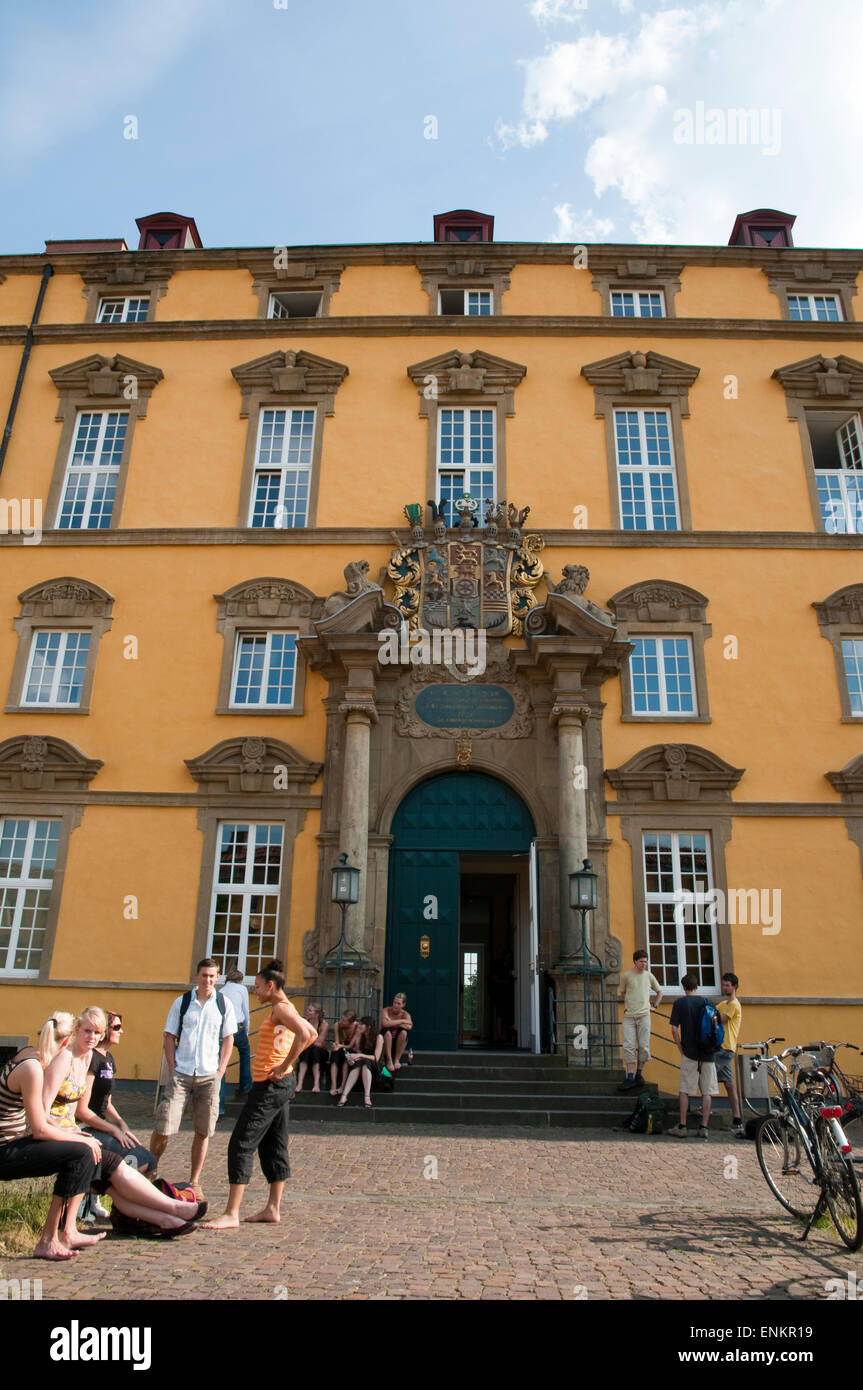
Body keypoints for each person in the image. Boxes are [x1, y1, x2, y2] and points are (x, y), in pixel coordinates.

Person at [45, 1006, 207, 1236]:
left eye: (96, 1032)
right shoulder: (71, 1059)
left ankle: (167, 1219)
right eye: (87, 1031)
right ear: (77, 1030)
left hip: (74, 1130)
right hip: (67, 1131)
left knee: (122, 1176)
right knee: (127, 1164)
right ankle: (169, 1209)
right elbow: (58, 1111)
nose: (92, 1037)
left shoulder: (90, 1058)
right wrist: (100, 1131)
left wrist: (121, 1125)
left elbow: (100, 1104)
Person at [203, 959, 316, 1229]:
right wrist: (286, 1064)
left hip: (270, 1085)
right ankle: (272, 1208)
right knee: (274, 1143)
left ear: (270, 986)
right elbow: (311, 1033)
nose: (254, 990)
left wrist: (283, 1065)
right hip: (279, 1084)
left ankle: (231, 1213)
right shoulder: (286, 1007)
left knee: (241, 1142)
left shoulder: (281, 1008)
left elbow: (305, 1034)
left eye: (258, 985)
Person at [0, 1013, 102, 1260]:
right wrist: (82, 1139)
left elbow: (43, 1118)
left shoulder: (28, 1054)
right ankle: (48, 1240)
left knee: (84, 1150)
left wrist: (71, 1132)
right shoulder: (33, 1068)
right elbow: (39, 1129)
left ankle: (66, 1231)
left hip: (12, 1143)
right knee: (80, 1153)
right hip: (5, 1150)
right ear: (67, 1041)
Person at [148, 957, 236, 1199]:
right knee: (164, 1125)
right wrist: (172, 1065)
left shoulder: (223, 1004)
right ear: (197, 976)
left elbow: (228, 1038)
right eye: (204, 975)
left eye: (212, 976)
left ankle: (194, 1180)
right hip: (182, 1073)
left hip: (209, 1075)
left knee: (203, 1130)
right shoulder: (183, 1002)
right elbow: (169, 1035)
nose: (208, 980)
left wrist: (221, 1070)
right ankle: (150, 1171)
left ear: (217, 978)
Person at [75, 1009, 155, 1222]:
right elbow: (82, 1110)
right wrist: (112, 1130)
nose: (121, 1031)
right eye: (117, 1027)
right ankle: (86, 1194)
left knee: (149, 1161)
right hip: (85, 1126)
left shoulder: (108, 1059)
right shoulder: (92, 1058)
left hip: (101, 1125)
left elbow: (107, 1103)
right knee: (140, 1161)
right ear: (106, 1030)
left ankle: (97, 1199)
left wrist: (122, 1125)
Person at [669, 973, 718, 1139]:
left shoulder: (680, 1003)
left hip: (689, 1052)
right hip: (707, 1052)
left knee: (684, 1090)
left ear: (684, 987)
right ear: (697, 986)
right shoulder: (708, 1002)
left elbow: (674, 1029)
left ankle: (682, 1126)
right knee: (707, 1091)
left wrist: (680, 1047)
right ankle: (704, 1127)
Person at [617, 950, 663, 1091]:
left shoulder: (649, 976)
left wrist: (655, 1006)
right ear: (635, 961)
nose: (644, 964)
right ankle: (630, 1076)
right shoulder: (626, 976)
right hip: (629, 1016)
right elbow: (622, 992)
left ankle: (639, 1073)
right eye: (642, 961)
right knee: (628, 1045)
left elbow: (659, 991)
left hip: (644, 1016)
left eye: (646, 961)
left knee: (643, 1045)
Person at [219, 964, 252, 1116]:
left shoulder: (221, 991)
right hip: (237, 1027)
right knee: (245, 1053)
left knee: (221, 1064)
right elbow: (246, 1011)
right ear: (240, 980)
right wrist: (246, 1031)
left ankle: (220, 1108)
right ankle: (245, 1087)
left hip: (223, 1029)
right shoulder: (242, 989)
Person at [715, 972, 744, 1136]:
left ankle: (706, 1110)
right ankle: (737, 1119)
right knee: (729, 1084)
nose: (725, 987)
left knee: (706, 1074)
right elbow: (714, 1011)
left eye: (728, 985)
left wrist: (712, 1017)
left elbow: (721, 1019)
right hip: (723, 1047)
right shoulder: (723, 1003)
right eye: (723, 984)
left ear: (735, 987)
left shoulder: (734, 1004)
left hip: (725, 1047)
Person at [337, 1016, 383, 1109]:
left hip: (375, 1069)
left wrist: (360, 1055)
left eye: (362, 1024)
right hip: (361, 1068)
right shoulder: (360, 1036)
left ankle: (367, 1096)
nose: (359, 1026)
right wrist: (352, 1059)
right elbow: (359, 1053)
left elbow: (376, 1058)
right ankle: (344, 1096)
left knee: (366, 1062)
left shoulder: (379, 1037)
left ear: (369, 1026)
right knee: (361, 1062)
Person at [295, 1005, 329, 1094]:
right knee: (306, 1051)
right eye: (307, 1009)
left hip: (320, 1051)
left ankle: (316, 1084)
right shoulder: (304, 1023)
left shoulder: (323, 1024)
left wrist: (308, 1041)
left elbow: (319, 1042)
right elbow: (301, 1039)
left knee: (315, 1051)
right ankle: (300, 1083)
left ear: (317, 1014)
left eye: (310, 1010)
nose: (307, 1011)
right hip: (307, 1049)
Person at [329, 1010, 359, 1096]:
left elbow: (350, 1046)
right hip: (341, 1048)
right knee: (334, 1055)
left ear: (351, 1023)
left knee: (346, 1058)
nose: (341, 1021)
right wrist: (336, 1045)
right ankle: (333, 1085)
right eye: (341, 1019)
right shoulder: (337, 1025)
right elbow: (337, 1042)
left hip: (351, 1049)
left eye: (344, 1021)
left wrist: (340, 1046)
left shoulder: (357, 1027)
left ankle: (342, 1086)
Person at [380, 993, 413, 1071]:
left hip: (398, 1042)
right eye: (394, 1002)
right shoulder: (386, 1010)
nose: (395, 1005)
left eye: (398, 1003)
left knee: (404, 1032)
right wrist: (402, 1021)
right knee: (387, 1032)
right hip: (385, 1041)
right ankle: (389, 1060)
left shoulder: (406, 1014)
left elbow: (409, 1026)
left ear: (403, 1005)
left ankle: (396, 1059)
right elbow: (385, 1024)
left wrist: (391, 1021)